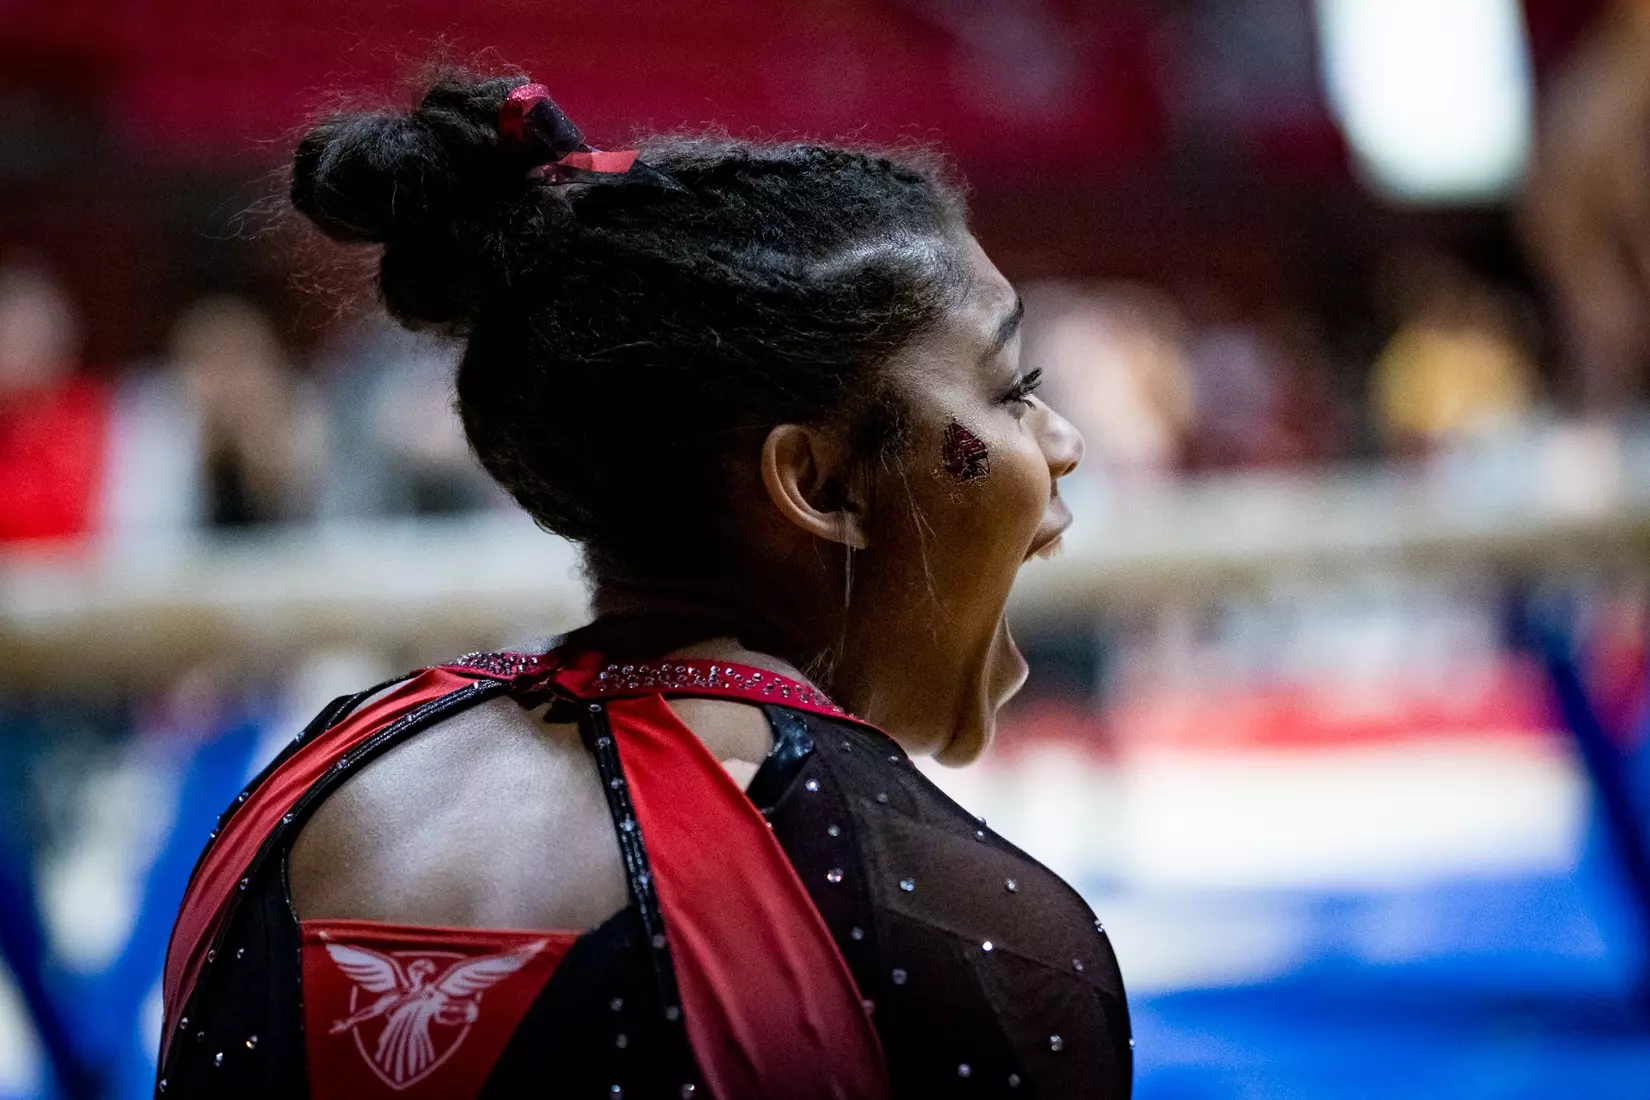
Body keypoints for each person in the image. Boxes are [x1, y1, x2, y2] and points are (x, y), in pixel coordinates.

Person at [158, 72, 1129, 1099]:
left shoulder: (294, 803)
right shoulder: (967, 932)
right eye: (1013, 390)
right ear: (818, 480)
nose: (1061, 441)